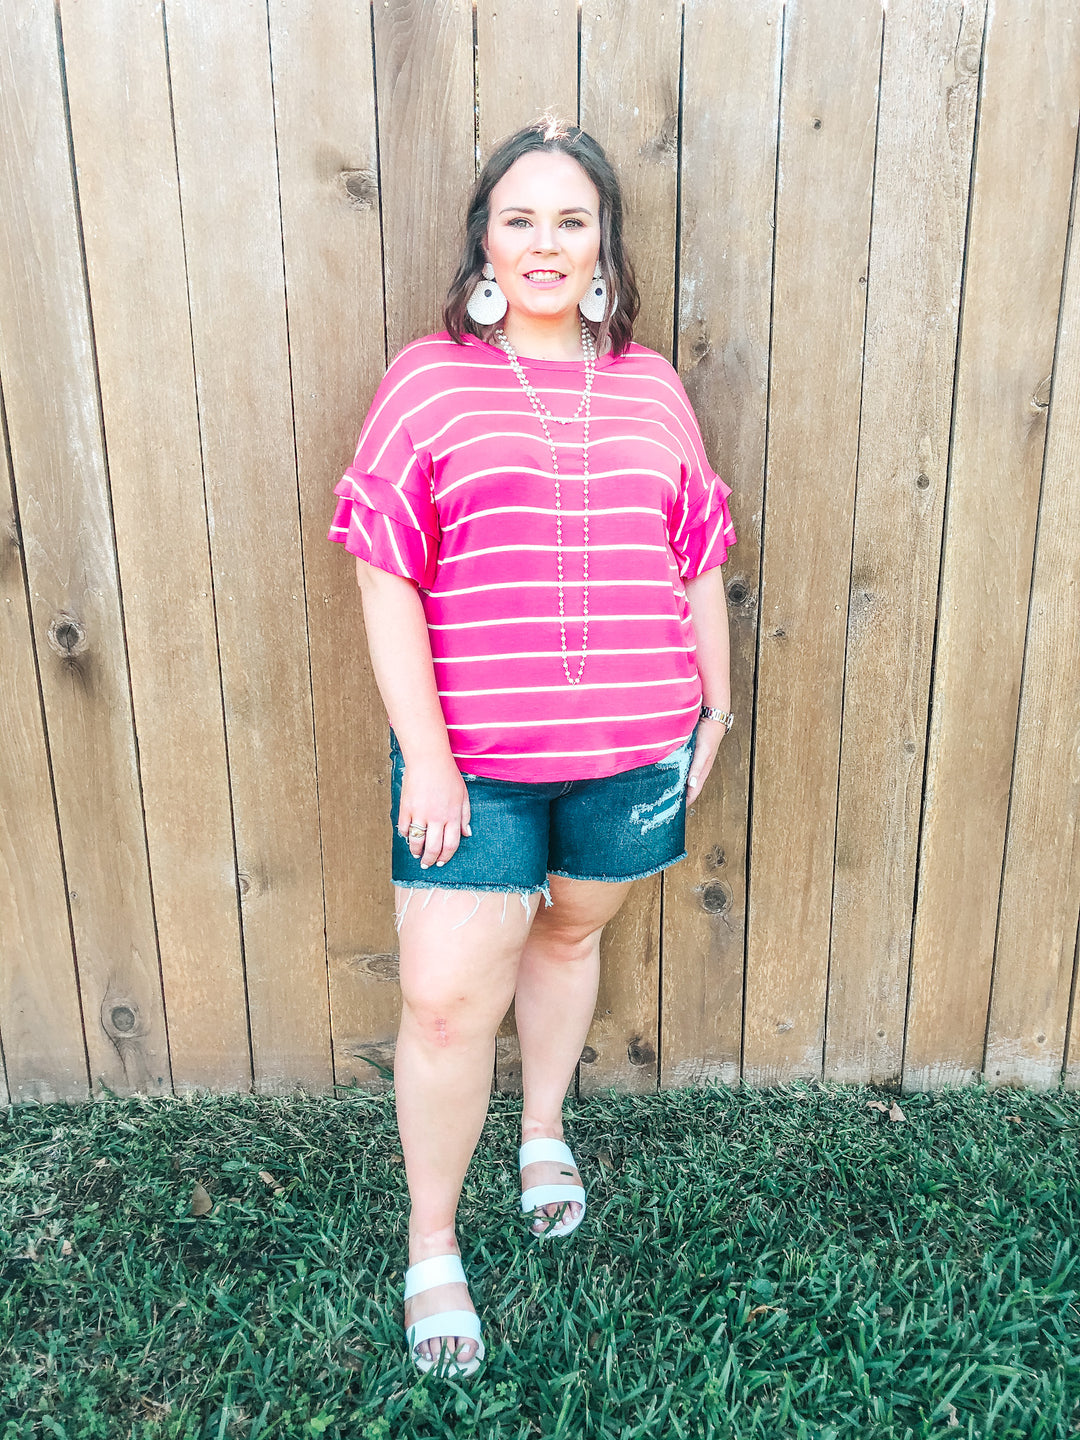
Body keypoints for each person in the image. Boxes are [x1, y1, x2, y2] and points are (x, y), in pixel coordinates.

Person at [327, 116, 736, 1377]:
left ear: (603, 243)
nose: (546, 242)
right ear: (486, 243)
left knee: (571, 930)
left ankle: (543, 1130)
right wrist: (431, 759)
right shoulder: (429, 377)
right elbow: (384, 571)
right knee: (449, 1003)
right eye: (521, 218)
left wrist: (714, 706)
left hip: (631, 746)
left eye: (571, 219)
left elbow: (698, 548)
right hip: (477, 761)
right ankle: (434, 1246)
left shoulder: (652, 383)